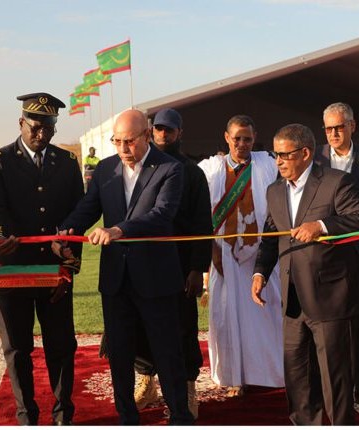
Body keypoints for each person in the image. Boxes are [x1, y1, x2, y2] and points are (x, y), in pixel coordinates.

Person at [55, 109, 194, 425]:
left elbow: (162, 215)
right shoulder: (105, 170)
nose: (123, 149)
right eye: (117, 141)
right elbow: (88, 208)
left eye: (130, 141)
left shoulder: (171, 169)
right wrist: (66, 232)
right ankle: (127, 418)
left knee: (167, 353)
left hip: (157, 280)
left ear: (146, 135)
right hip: (116, 282)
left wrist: (119, 230)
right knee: (119, 356)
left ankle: (181, 417)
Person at [252, 123, 359, 425]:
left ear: (305, 153)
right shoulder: (274, 191)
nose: (278, 162)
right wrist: (260, 273)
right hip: (293, 300)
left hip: (330, 299)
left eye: (284, 155)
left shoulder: (336, 182)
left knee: (335, 377)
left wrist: (322, 226)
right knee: (297, 375)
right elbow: (272, 236)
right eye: (275, 156)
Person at [0, 93, 84, 425]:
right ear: (21, 123)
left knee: (61, 346)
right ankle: (27, 415)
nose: (42, 136)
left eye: (49, 129)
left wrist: (68, 265)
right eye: (36, 128)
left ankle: (63, 414)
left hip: (53, 271)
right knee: (17, 349)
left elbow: (76, 216)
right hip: (13, 268)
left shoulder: (67, 162)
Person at [131, 108, 212, 419]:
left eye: (170, 130)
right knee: (140, 326)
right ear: (151, 131)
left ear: (180, 133)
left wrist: (197, 269)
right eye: (159, 129)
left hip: (179, 266)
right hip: (143, 262)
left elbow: (203, 223)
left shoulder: (192, 173)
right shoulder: (141, 166)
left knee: (182, 328)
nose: (164, 135)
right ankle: (147, 382)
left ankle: (188, 387)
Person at [198, 114, 284, 395]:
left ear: (254, 138)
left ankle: (267, 374)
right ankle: (235, 376)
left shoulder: (268, 165)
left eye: (247, 139)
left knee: (264, 315)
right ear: (226, 137)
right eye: (237, 138)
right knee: (227, 317)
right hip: (223, 254)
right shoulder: (211, 170)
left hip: (261, 255)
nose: (242, 144)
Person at [314, 102, 359, 411]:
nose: (333, 134)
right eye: (328, 128)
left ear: (352, 126)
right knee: (324, 324)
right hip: (323, 255)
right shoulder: (314, 157)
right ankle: (327, 385)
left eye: (339, 127)